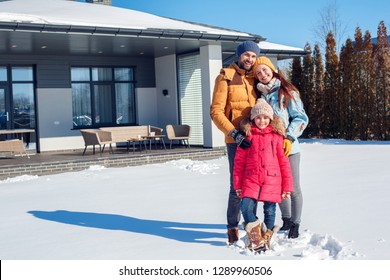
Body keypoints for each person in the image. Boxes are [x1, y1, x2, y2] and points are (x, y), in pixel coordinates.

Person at [252, 56, 309, 239]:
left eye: (265, 70)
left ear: (272, 69)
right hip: (269, 150)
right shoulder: (260, 96)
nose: (262, 74)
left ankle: (296, 223)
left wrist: (290, 137)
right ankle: (286, 219)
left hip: (289, 148)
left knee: (293, 187)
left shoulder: (286, 91)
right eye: (258, 72)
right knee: (277, 186)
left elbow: (301, 118)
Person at [210, 40, 260, 245]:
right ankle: (232, 227)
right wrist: (234, 133)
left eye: (254, 56)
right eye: (247, 55)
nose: (250, 59)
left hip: (256, 139)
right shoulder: (225, 78)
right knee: (236, 186)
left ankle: (252, 225)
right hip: (236, 141)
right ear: (239, 55)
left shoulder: (256, 79)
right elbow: (216, 112)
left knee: (254, 184)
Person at [234, 99, 293, 252]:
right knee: (246, 206)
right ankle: (256, 234)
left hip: (272, 179)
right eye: (258, 117)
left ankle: (266, 237)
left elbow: (284, 163)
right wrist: (237, 185)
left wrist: (287, 186)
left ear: (271, 119)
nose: (262, 121)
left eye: (265, 117)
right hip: (250, 178)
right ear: (253, 118)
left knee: (270, 210)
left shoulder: (277, 137)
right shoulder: (246, 137)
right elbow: (239, 163)